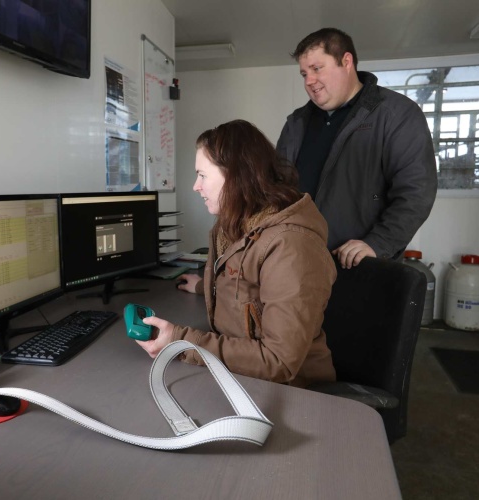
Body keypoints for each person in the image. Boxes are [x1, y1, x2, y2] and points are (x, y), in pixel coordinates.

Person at [136, 120, 337, 387]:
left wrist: (179, 341)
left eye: (202, 175)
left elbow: (279, 361)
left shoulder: (292, 246)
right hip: (242, 376)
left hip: (293, 390)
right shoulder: (233, 225)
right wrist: (201, 287)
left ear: (236, 175)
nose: (196, 186)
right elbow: (243, 284)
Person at [276, 27, 437, 269]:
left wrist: (378, 243)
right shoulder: (297, 123)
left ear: (346, 61)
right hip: (297, 264)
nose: (309, 81)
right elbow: (276, 188)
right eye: (303, 74)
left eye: (317, 69)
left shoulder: (396, 114)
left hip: (356, 268)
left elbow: (416, 191)